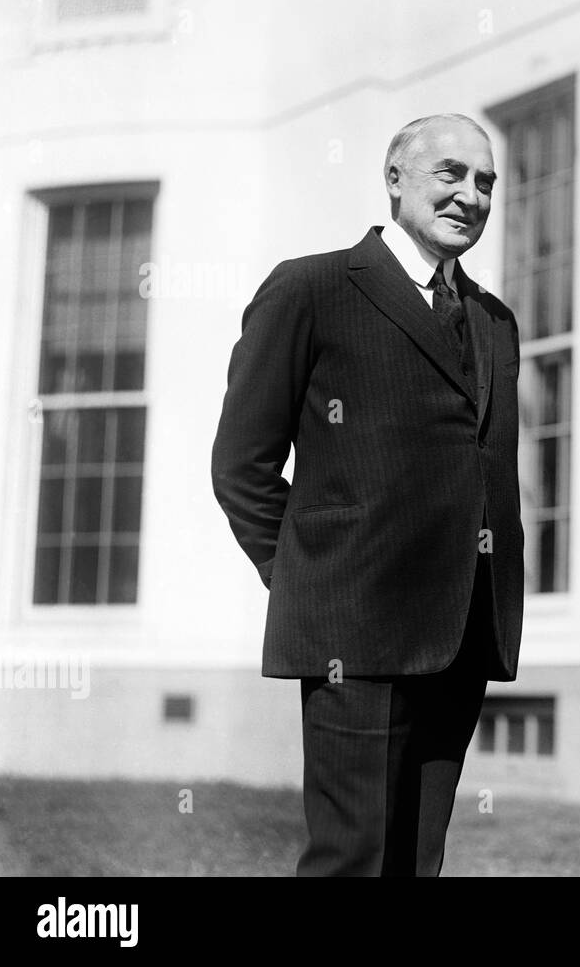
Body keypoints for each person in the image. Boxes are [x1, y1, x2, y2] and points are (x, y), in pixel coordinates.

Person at [211, 114, 523, 876]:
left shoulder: (494, 321)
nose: (471, 195)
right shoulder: (312, 288)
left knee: (417, 861)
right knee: (352, 860)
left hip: (462, 630)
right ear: (394, 180)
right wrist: (310, 579)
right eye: (450, 173)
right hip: (353, 630)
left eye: (485, 182)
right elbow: (242, 466)